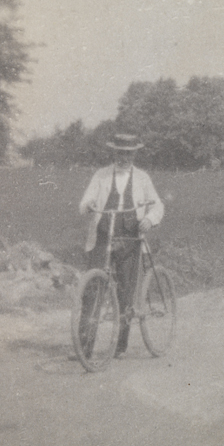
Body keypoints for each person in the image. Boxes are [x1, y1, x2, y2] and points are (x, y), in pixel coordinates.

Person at [78, 133, 164, 357]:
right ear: (113, 152)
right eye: (119, 153)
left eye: (128, 153)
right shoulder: (101, 175)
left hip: (130, 240)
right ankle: (84, 347)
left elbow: (158, 206)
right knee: (92, 289)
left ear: (134, 153)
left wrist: (149, 219)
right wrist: (89, 205)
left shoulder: (143, 178)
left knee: (126, 290)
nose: (123, 157)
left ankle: (120, 346)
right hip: (102, 236)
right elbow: (84, 202)